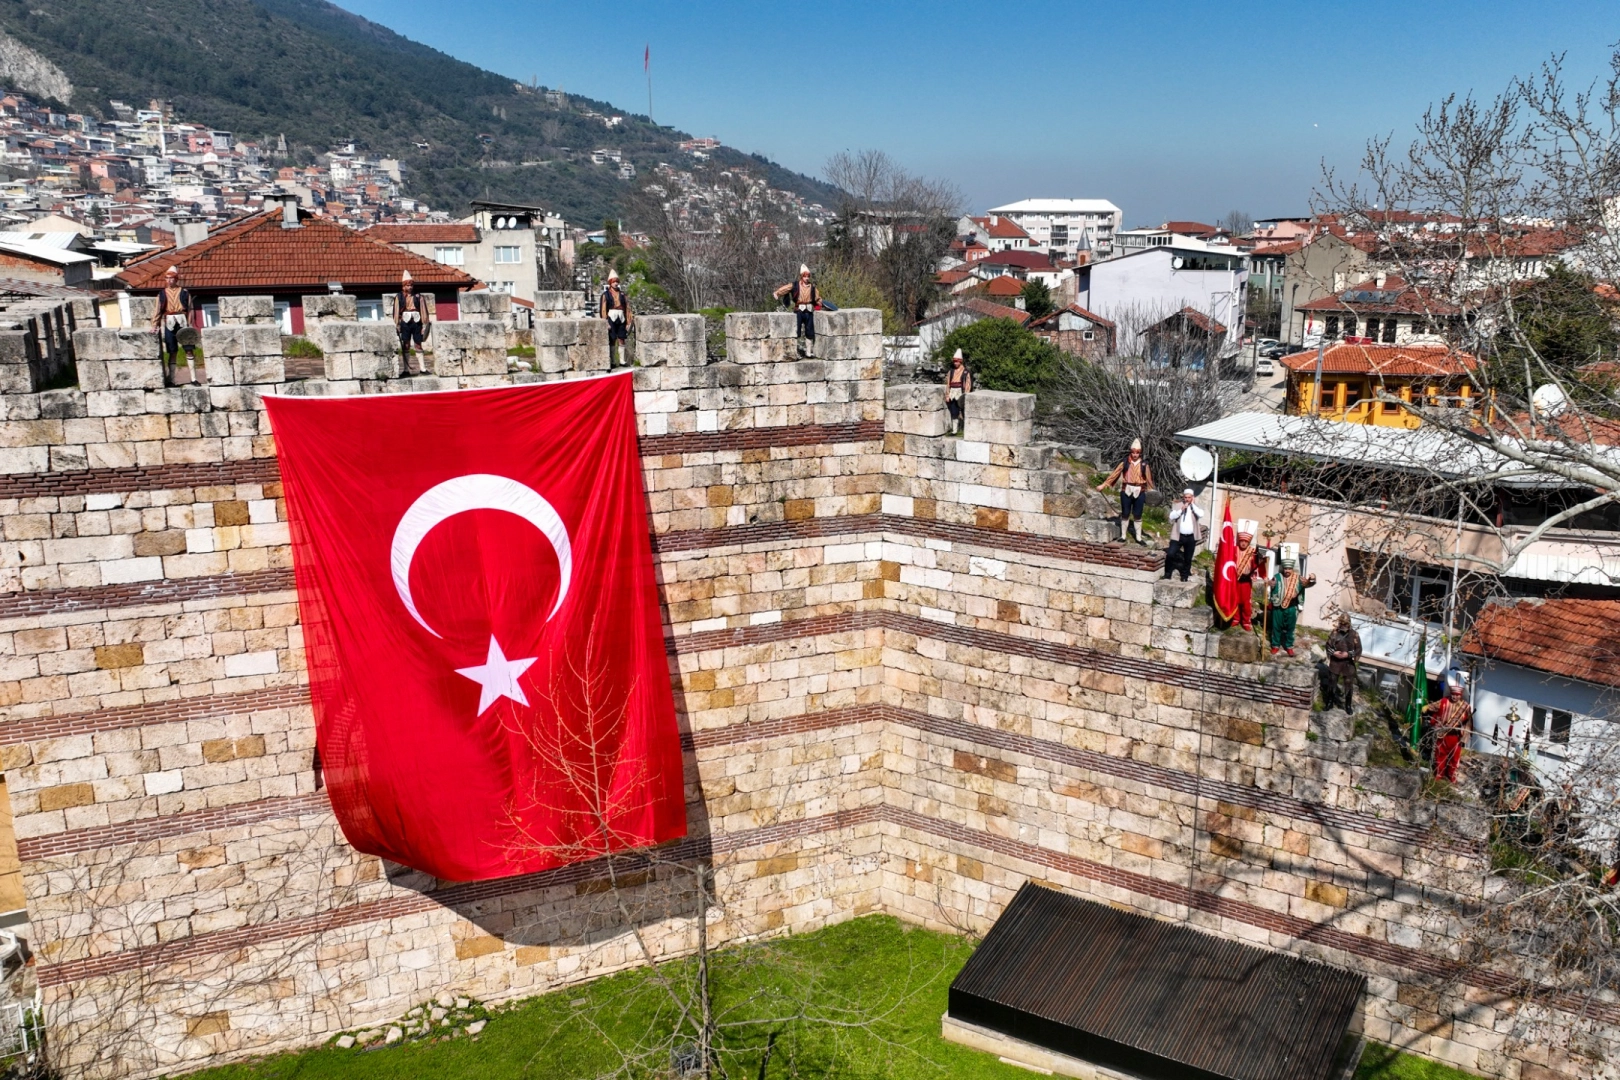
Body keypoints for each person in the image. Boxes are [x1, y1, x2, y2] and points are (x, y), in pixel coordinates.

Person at [1097, 439, 1154, 544]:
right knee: (1125, 513)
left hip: (1139, 490)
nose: (1135, 455)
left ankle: (1138, 537)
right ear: (1131, 452)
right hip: (1126, 489)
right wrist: (1103, 485)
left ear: (1140, 453)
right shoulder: (1125, 462)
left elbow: (1149, 479)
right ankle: (1123, 536)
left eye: (1137, 453)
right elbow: (1114, 474)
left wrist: (1152, 493)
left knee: (1137, 514)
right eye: (1133, 452)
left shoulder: (1144, 464)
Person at [150, 266, 200, 386]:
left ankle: (193, 378)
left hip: (182, 320)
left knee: (189, 350)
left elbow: (190, 309)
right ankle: (172, 380)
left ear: (176, 279)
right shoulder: (162, 294)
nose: (169, 281)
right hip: (169, 321)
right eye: (167, 278)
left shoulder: (184, 292)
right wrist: (154, 324)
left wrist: (190, 324)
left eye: (171, 278)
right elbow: (157, 310)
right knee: (172, 351)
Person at [1266, 544, 1315, 656]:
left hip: (1292, 607)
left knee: (1290, 628)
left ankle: (1289, 646)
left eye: (1289, 568)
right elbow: (1271, 585)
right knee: (1276, 627)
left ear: (1292, 568)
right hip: (1278, 606)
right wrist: (1270, 584)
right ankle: (1275, 645)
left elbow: (1308, 584)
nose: (1287, 570)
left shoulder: (1298, 578)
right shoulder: (1277, 576)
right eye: (1285, 568)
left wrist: (1312, 579)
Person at [1423, 680, 1472, 782]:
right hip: (1442, 733)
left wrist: (1465, 736)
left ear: (1460, 695)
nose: (1454, 697)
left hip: (1456, 736)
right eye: (1453, 694)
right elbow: (1433, 706)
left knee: (1454, 757)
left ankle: (1451, 775)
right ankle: (1439, 773)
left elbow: (1468, 723)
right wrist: (1426, 707)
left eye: (1457, 695)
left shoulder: (1465, 706)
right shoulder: (1444, 701)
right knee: (1440, 754)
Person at [773, 264, 819, 357]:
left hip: (809, 311)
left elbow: (817, 298)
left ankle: (808, 352)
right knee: (796, 331)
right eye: (805, 276)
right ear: (802, 276)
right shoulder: (795, 285)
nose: (806, 278)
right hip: (799, 310)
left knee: (809, 332)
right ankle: (795, 352)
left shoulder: (812, 287)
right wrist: (777, 293)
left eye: (808, 276)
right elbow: (786, 288)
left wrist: (821, 305)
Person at [393, 272, 432, 374]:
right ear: (404, 286)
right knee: (406, 345)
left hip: (417, 322)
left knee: (418, 344)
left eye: (411, 285)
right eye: (407, 285)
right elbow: (396, 311)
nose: (410, 287)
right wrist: (397, 324)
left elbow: (423, 310)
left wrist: (424, 324)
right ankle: (406, 369)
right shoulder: (399, 297)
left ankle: (422, 369)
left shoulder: (418, 296)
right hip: (405, 323)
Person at [1163, 488, 1205, 581]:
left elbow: (1201, 514)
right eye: (1185, 497)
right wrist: (1181, 510)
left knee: (1188, 557)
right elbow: (1171, 516)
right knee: (1170, 554)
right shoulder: (1178, 505)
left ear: (1192, 497)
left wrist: (1192, 505)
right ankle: (1167, 573)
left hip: (1190, 537)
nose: (1187, 499)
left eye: (1189, 497)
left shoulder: (1196, 506)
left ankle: (1185, 576)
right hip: (1178, 536)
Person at [1325, 613, 1363, 712]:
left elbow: (1358, 649)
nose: (1343, 625)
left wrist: (1348, 654)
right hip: (1335, 661)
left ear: (1349, 624)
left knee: (1348, 683)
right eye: (1342, 623)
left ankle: (1348, 705)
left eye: (1345, 624)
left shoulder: (1354, 635)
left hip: (1348, 663)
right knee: (1332, 681)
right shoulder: (1334, 633)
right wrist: (1334, 653)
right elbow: (1328, 645)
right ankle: (1329, 702)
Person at [600, 268, 633, 367]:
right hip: (611, 316)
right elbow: (603, 309)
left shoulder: (623, 295)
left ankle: (622, 360)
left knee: (622, 338)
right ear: (610, 283)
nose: (616, 283)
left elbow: (627, 308)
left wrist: (628, 321)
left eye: (617, 282)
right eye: (614, 282)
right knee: (612, 339)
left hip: (621, 317)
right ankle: (613, 361)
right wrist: (605, 322)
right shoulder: (606, 295)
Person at [1233, 519, 1261, 631]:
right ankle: (1235, 618)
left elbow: (1256, 565)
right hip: (1235, 579)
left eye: (1245, 541)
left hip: (1246, 581)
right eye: (1242, 541)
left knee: (1246, 602)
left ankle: (1245, 621)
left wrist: (1260, 559)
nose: (1243, 543)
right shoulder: (1234, 549)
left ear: (1249, 542)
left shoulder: (1252, 552)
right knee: (1235, 600)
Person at [945, 349, 972, 435]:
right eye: (954, 361)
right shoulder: (951, 371)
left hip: (961, 392)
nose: (955, 363)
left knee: (964, 411)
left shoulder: (966, 372)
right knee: (954, 411)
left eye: (957, 361)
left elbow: (968, 383)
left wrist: (966, 394)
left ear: (960, 361)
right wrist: (947, 395)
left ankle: (965, 429)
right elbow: (948, 383)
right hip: (953, 392)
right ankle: (955, 430)